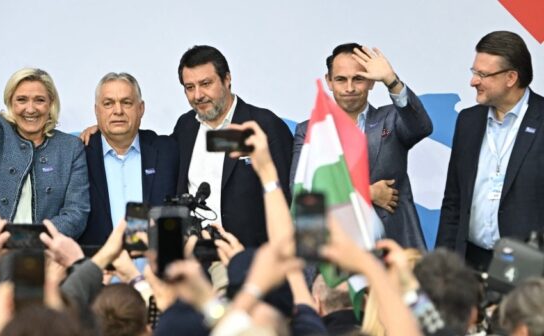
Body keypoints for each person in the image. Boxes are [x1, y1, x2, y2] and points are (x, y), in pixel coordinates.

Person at [0, 12, 89, 240]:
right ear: (10, 103)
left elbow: (75, 214)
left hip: (47, 255)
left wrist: (25, 245)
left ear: (51, 103)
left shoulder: (70, 147)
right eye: (22, 100)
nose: (31, 109)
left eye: (40, 100)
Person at [292, 43, 433, 249]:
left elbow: (421, 127)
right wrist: (366, 193)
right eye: (341, 79)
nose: (349, 88)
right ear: (329, 82)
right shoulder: (309, 131)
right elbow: (301, 195)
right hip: (334, 251)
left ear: (371, 82)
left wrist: (391, 81)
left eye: (358, 79)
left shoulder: (391, 119)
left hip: (392, 251)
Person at [436, 30, 544, 271]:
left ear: (511, 77)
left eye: (483, 74)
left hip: (528, 271)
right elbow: (453, 201)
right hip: (469, 264)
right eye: (474, 72)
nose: (473, 81)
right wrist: (442, 265)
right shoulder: (468, 121)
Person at [172, 45, 293, 247]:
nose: (198, 95)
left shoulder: (263, 124)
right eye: (189, 87)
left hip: (251, 258)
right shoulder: (185, 127)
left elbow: (287, 196)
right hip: (197, 256)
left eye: (206, 84)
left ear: (227, 79)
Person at [79, 72, 179, 246]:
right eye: (108, 104)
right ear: (97, 111)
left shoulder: (168, 150)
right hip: (99, 268)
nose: (118, 111)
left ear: (141, 109)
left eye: (126, 103)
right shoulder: (78, 154)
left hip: (156, 269)